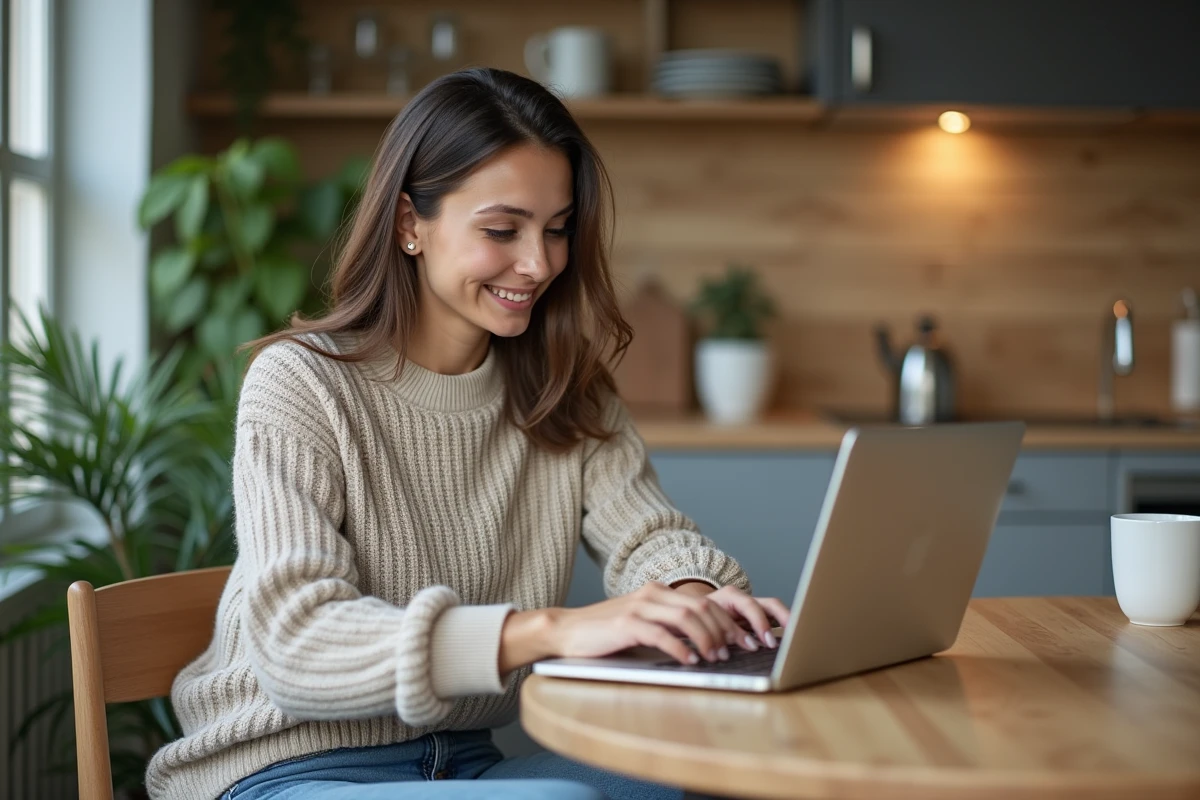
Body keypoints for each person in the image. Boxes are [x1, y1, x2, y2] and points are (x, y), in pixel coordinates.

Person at [145, 67, 789, 800]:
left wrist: (689, 593)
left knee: (713, 777)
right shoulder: (301, 384)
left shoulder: (565, 390)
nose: (539, 263)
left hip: (464, 765)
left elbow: (649, 537)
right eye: (501, 230)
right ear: (408, 224)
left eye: (556, 230)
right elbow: (298, 643)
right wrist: (547, 630)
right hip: (281, 770)